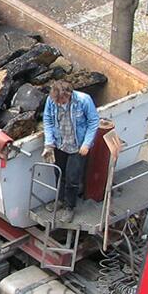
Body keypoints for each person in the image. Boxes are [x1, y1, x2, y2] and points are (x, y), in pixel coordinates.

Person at [41, 79, 100, 213]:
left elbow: (93, 121)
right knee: (59, 174)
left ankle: (69, 207)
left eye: (62, 101)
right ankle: (60, 200)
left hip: (77, 147)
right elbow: (48, 120)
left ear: (68, 95)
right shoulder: (51, 101)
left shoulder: (84, 100)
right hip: (60, 144)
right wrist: (49, 144)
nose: (59, 104)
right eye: (57, 102)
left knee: (72, 179)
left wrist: (86, 144)